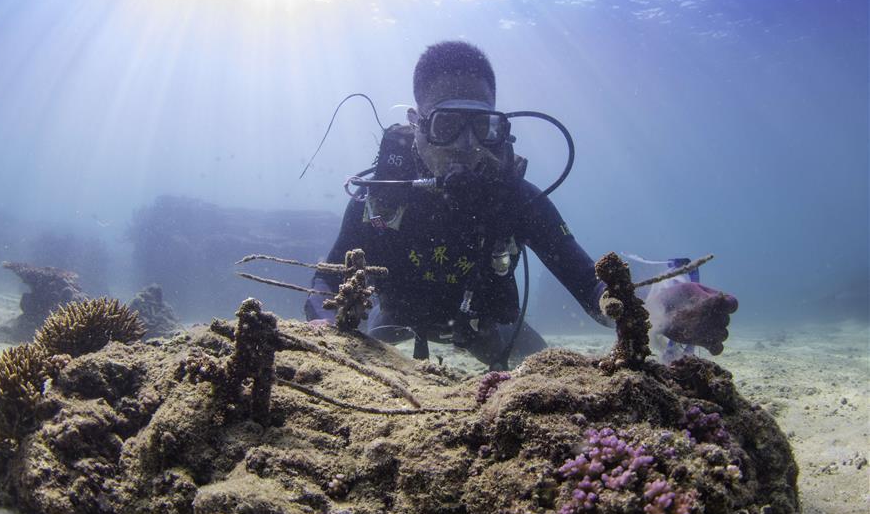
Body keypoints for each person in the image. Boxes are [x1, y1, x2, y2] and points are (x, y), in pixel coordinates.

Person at [305, 41, 737, 368]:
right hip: (394, 319)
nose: (468, 146)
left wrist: (654, 312)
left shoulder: (515, 200)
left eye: (483, 126)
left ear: (501, 128)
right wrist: (325, 330)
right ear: (416, 126)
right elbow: (323, 283)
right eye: (448, 125)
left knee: (548, 374)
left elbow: (591, 286)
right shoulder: (381, 197)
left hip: (487, 327)